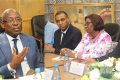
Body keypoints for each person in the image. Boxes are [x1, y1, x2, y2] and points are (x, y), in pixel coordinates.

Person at [0, 8, 44, 79]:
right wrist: (11, 66)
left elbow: (40, 64)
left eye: (18, 19)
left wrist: (36, 72)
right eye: (11, 20)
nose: (16, 23)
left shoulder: (31, 40)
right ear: (3, 24)